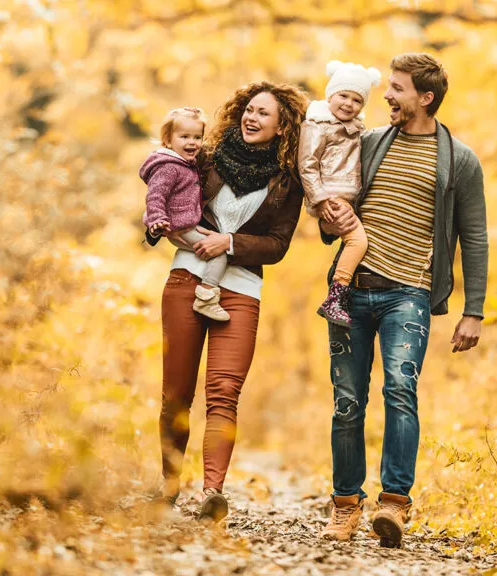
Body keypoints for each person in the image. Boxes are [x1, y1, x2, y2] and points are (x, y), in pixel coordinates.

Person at [317, 53, 488, 548]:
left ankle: (394, 504)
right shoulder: (368, 144)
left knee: (399, 390)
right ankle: (345, 506)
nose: (386, 95)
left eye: (396, 88)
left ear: (425, 98)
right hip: (349, 291)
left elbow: (473, 237)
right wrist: (330, 219)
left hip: (408, 295)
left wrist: (472, 310)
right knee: (347, 402)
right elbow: (335, 207)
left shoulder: (459, 159)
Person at [146, 82, 309, 523]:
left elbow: (277, 245)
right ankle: (168, 484)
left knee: (223, 394)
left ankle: (212, 494)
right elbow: (165, 184)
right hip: (187, 278)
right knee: (176, 393)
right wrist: (158, 224)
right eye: (249, 110)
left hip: (242, 292)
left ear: (282, 127)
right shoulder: (207, 157)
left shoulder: (287, 179)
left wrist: (230, 243)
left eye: (263, 115)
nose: (251, 118)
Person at [298, 60, 382, 327]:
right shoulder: (317, 124)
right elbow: (307, 164)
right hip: (331, 196)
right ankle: (337, 296)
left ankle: (340, 295)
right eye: (343, 96)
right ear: (330, 95)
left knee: (357, 242)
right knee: (359, 242)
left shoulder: (356, 128)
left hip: (345, 196)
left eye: (357, 100)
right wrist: (319, 199)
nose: (348, 104)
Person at [142, 107, 230, 321]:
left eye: (197, 137)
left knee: (209, 243)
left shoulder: (184, 163)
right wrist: (157, 221)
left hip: (187, 225)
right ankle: (206, 297)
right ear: (168, 140)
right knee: (219, 253)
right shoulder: (169, 167)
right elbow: (155, 196)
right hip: (178, 226)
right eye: (184, 137)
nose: (192, 142)